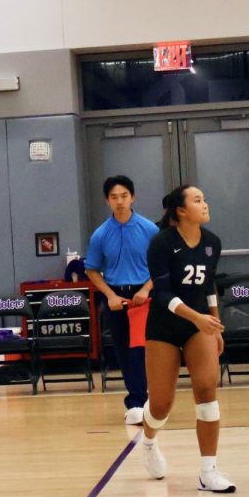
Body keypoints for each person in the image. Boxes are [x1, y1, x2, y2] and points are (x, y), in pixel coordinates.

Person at [137, 186, 234, 493]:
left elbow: (209, 285)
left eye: (204, 199)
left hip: (199, 325)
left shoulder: (212, 243)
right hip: (165, 325)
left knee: (207, 388)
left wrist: (214, 322)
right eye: (197, 200)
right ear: (180, 211)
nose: (205, 204)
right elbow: (162, 293)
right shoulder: (161, 243)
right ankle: (149, 441)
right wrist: (197, 317)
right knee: (162, 404)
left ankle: (208, 471)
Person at [84, 175, 157, 426]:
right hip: (116, 296)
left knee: (143, 349)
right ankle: (136, 402)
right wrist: (110, 294)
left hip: (144, 296)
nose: (120, 201)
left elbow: (162, 266)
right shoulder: (100, 234)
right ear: (107, 201)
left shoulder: (149, 229)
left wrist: (147, 289)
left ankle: (148, 399)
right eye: (114, 197)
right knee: (124, 350)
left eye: (124, 196)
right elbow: (91, 269)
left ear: (133, 197)